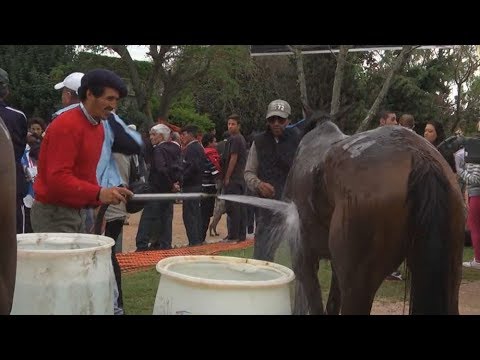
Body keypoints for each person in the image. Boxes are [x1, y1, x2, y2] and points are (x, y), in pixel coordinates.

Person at [30, 68, 133, 233]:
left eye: (116, 100)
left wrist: (99, 206)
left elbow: (88, 173)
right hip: (54, 212)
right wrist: (99, 193)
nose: (113, 106)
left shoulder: (97, 126)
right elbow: (57, 179)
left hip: (77, 210)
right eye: (109, 99)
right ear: (90, 94)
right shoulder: (66, 125)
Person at [244, 99, 301, 260]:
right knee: (262, 258)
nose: (276, 123)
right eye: (272, 119)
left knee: (300, 259)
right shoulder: (259, 142)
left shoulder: (298, 141)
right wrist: (259, 184)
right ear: (267, 120)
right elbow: (248, 172)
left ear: (288, 120)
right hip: (267, 212)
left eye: (281, 120)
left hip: (294, 211)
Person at [0, 67, 27, 234]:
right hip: (10, 186)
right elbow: (20, 148)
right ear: (6, 90)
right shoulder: (17, 117)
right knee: (15, 240)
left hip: (11, 185)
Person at [221, 114, 248, 242]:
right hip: (239, 179)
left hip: (235, 178)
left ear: (238, 125)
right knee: (239, 207)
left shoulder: (236, 139)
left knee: (233, 208)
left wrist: (227, 177)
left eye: (233, 124)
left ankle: (234, 235)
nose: (230, 126)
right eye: (229, 124)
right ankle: (239, 235)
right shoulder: (238, 138)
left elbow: (233, 158)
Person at [458, 120, 480, 269]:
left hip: (477, 193)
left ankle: (478, 260)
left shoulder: (475, 150)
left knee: (474, 225)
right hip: (474, 192)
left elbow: (475, 178)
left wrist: (460, 170)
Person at [180, 124, 206, 246]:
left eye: (184, 134)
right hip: (196, 184)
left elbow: (192, 167)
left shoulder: (192, 148)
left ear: (191, 134)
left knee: (190, 215)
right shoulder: (198, 147)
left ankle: (194, 242)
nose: (182, 137)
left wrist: (181, 178)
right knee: (195, 214)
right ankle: (197, 240)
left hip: (191, 186)